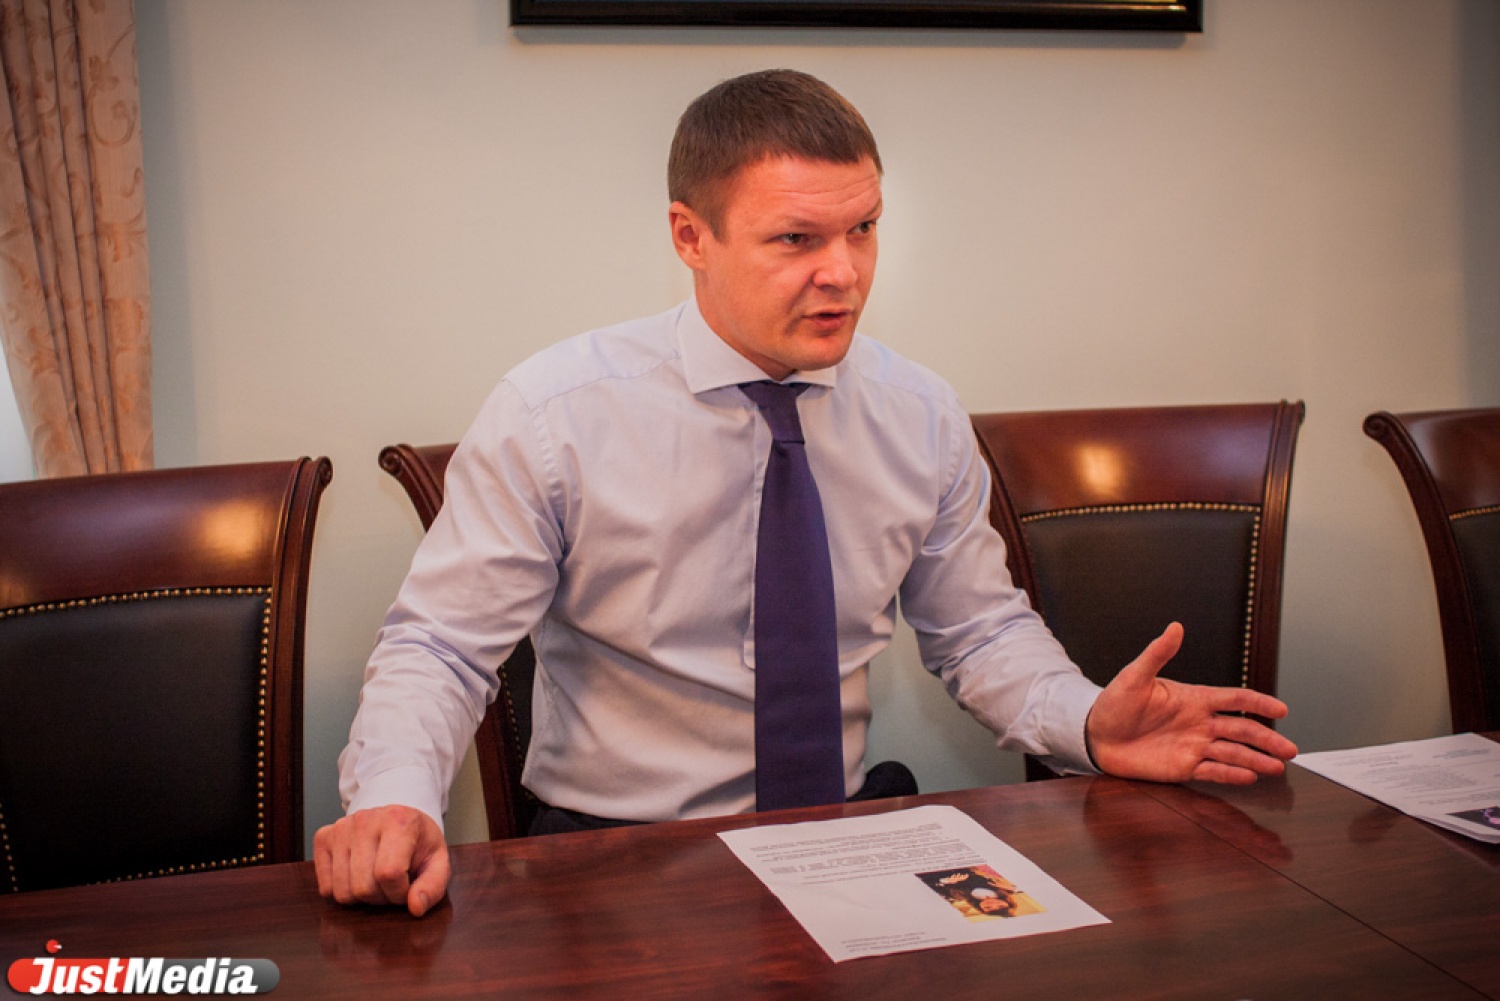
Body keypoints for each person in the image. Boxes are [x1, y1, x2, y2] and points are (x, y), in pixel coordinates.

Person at [315, 69, 1298, 918]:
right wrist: (393, 797)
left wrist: (1086, 719)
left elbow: (978, 632)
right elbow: (441, 644)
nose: (845, 274)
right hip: (618, 855)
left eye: (864, 229)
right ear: (690, 235)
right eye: (796, 238)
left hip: (849, 832)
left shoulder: (917, 410)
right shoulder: (555, 413)